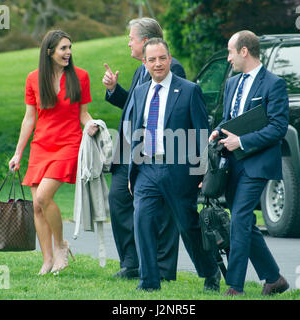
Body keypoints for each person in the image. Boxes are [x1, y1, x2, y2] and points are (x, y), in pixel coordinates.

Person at [128, 38, 220, 291]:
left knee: (188, 226)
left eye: (161, 58)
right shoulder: (140, 92)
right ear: (144, 63)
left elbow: (202, 133)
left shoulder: (189, 90)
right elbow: (136, 131)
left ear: (169, 59)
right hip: (146, 168)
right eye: (151, 59)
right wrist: (132, 172)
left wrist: (203, 171)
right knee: (142, 221)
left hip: (179, 170)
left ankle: (210, 271)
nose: (157, 64)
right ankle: (149, 282)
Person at [9, 30, 98, 275]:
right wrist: (18, 153)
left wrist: (90, 124)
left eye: (70, 47)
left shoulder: (81, 77)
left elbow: (83, 113)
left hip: (69, 144)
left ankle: (61, 246)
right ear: (49, 52)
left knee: (42, 198)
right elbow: (29, 118)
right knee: (37, 206)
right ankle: (47, 260)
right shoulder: (33, 78)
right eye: (63, 48)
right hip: (41, 146)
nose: (68, 52)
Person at [102, 18, 185, 281]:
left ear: (146, 41)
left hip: (156, 153)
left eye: (131, 38)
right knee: (118, 200)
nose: (128, 42)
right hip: (129, 150)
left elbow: (173, 112)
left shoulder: (173, 69)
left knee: (163, 212)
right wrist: (114, 91)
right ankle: (132, 263)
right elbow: (137, 105)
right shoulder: (141, 69)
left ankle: (162, 270)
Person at [209, 30, 290, 296]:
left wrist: (241, 142)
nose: (228, 58)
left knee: (240, 218)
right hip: (233, 164)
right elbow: (230, 118)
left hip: (258, 164)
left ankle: (235, 286)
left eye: (231, 52)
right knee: (244, 222)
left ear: (244, 51)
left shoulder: (274, 84)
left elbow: (278, 127)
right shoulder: (233, 82)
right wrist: (218, 131)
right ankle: (274, 278)